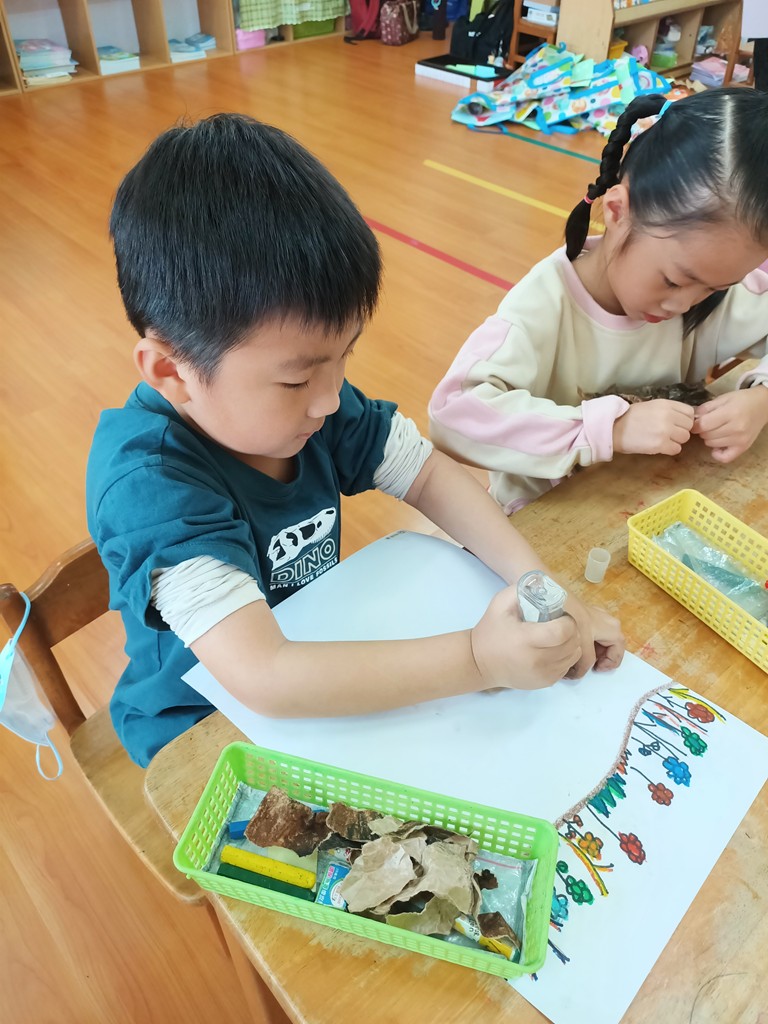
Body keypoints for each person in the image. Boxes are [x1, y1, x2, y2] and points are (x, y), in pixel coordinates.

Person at [87, 114, 623, 768]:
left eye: (343, 357)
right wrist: (479, 659)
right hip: (202, 728)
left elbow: (429, 475)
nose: (330, 398)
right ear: (172, 372)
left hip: (322, 658)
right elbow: (265, 675)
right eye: (296, 379)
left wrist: (541, 586)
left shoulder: (313, 403)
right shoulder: (149, 486)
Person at [429, 88, 768, 515]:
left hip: (649, 499)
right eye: (673, 281)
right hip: (545, 517)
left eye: (714, 288)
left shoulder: (707, 285)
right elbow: (451, 416)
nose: (684, 305)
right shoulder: (543, 305)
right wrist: (609, 429)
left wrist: (761, 398)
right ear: (617, 211)